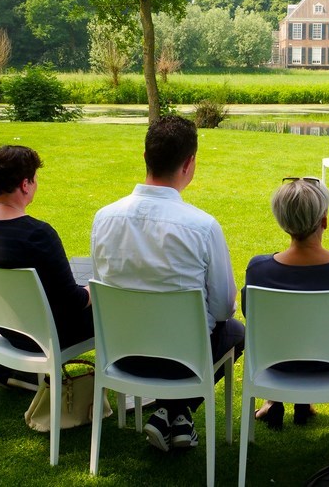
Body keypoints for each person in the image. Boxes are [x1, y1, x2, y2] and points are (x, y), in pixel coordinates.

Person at [91, 115, 245, 452]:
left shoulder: (104, 218)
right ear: (190, 164)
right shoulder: (202, 227)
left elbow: (103, 285)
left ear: (145, 157)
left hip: (121, 352)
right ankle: (178, 412)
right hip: (182, 359)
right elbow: (222, 308)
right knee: (236, 332)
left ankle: (169, 413)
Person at [242, 177, 329, 429]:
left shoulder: (259, 270)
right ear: (324, 220)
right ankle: (299, 405)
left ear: (282, 221)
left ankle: (274, 401)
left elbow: (252, 314)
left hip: (278, 367)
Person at [0, 145, 94, 354]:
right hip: (46, 335)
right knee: (111, 306)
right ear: (25, 184)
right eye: (35, 179)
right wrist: (96, 288)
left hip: (6, 328)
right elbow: (73, 303)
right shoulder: (38, 235)